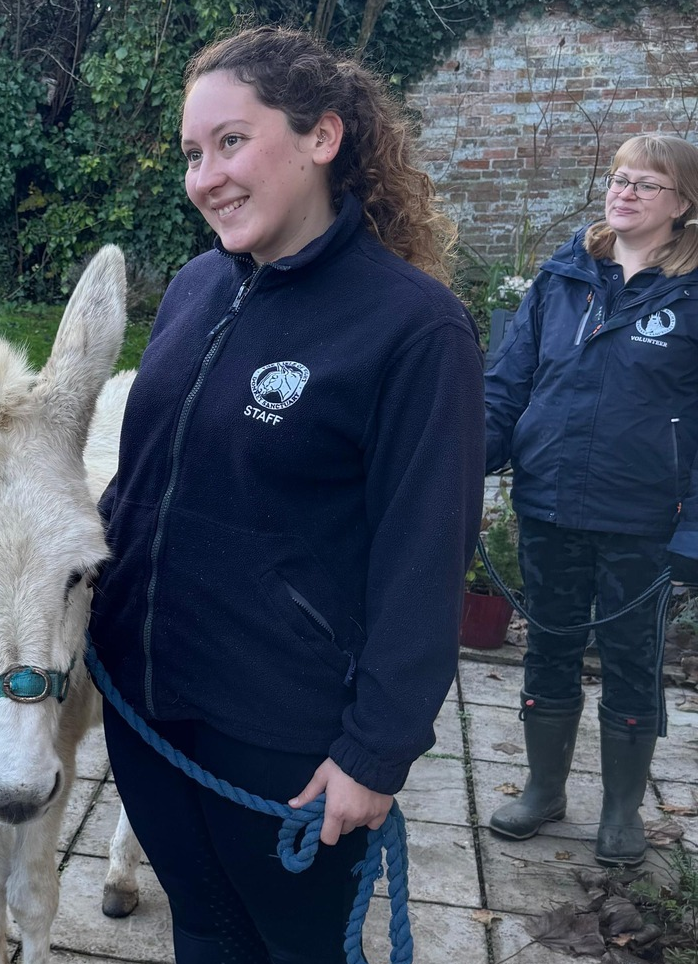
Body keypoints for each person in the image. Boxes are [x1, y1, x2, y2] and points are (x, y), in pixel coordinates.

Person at [88, 26, 485, 962]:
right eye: (193, 154)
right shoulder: (194, 289)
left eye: (232, 141)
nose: (207, 176)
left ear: (322, 138)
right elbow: (143, 485)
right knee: (205, 933)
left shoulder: (416, 330)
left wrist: (375, 754)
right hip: (150, 710)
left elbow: (425, 562)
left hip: (285, 742)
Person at [483, 134, 698, 867]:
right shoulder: (563, 278)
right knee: (549, 646)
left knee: (634, 661)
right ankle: (544, 791)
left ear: (683, 205)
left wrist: (693, 533)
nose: (624, 192)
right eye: (618, 178)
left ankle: (620, 814)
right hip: (547, 503)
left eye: (646, 183)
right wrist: (466, 462)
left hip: (644, 518)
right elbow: (509, 385)